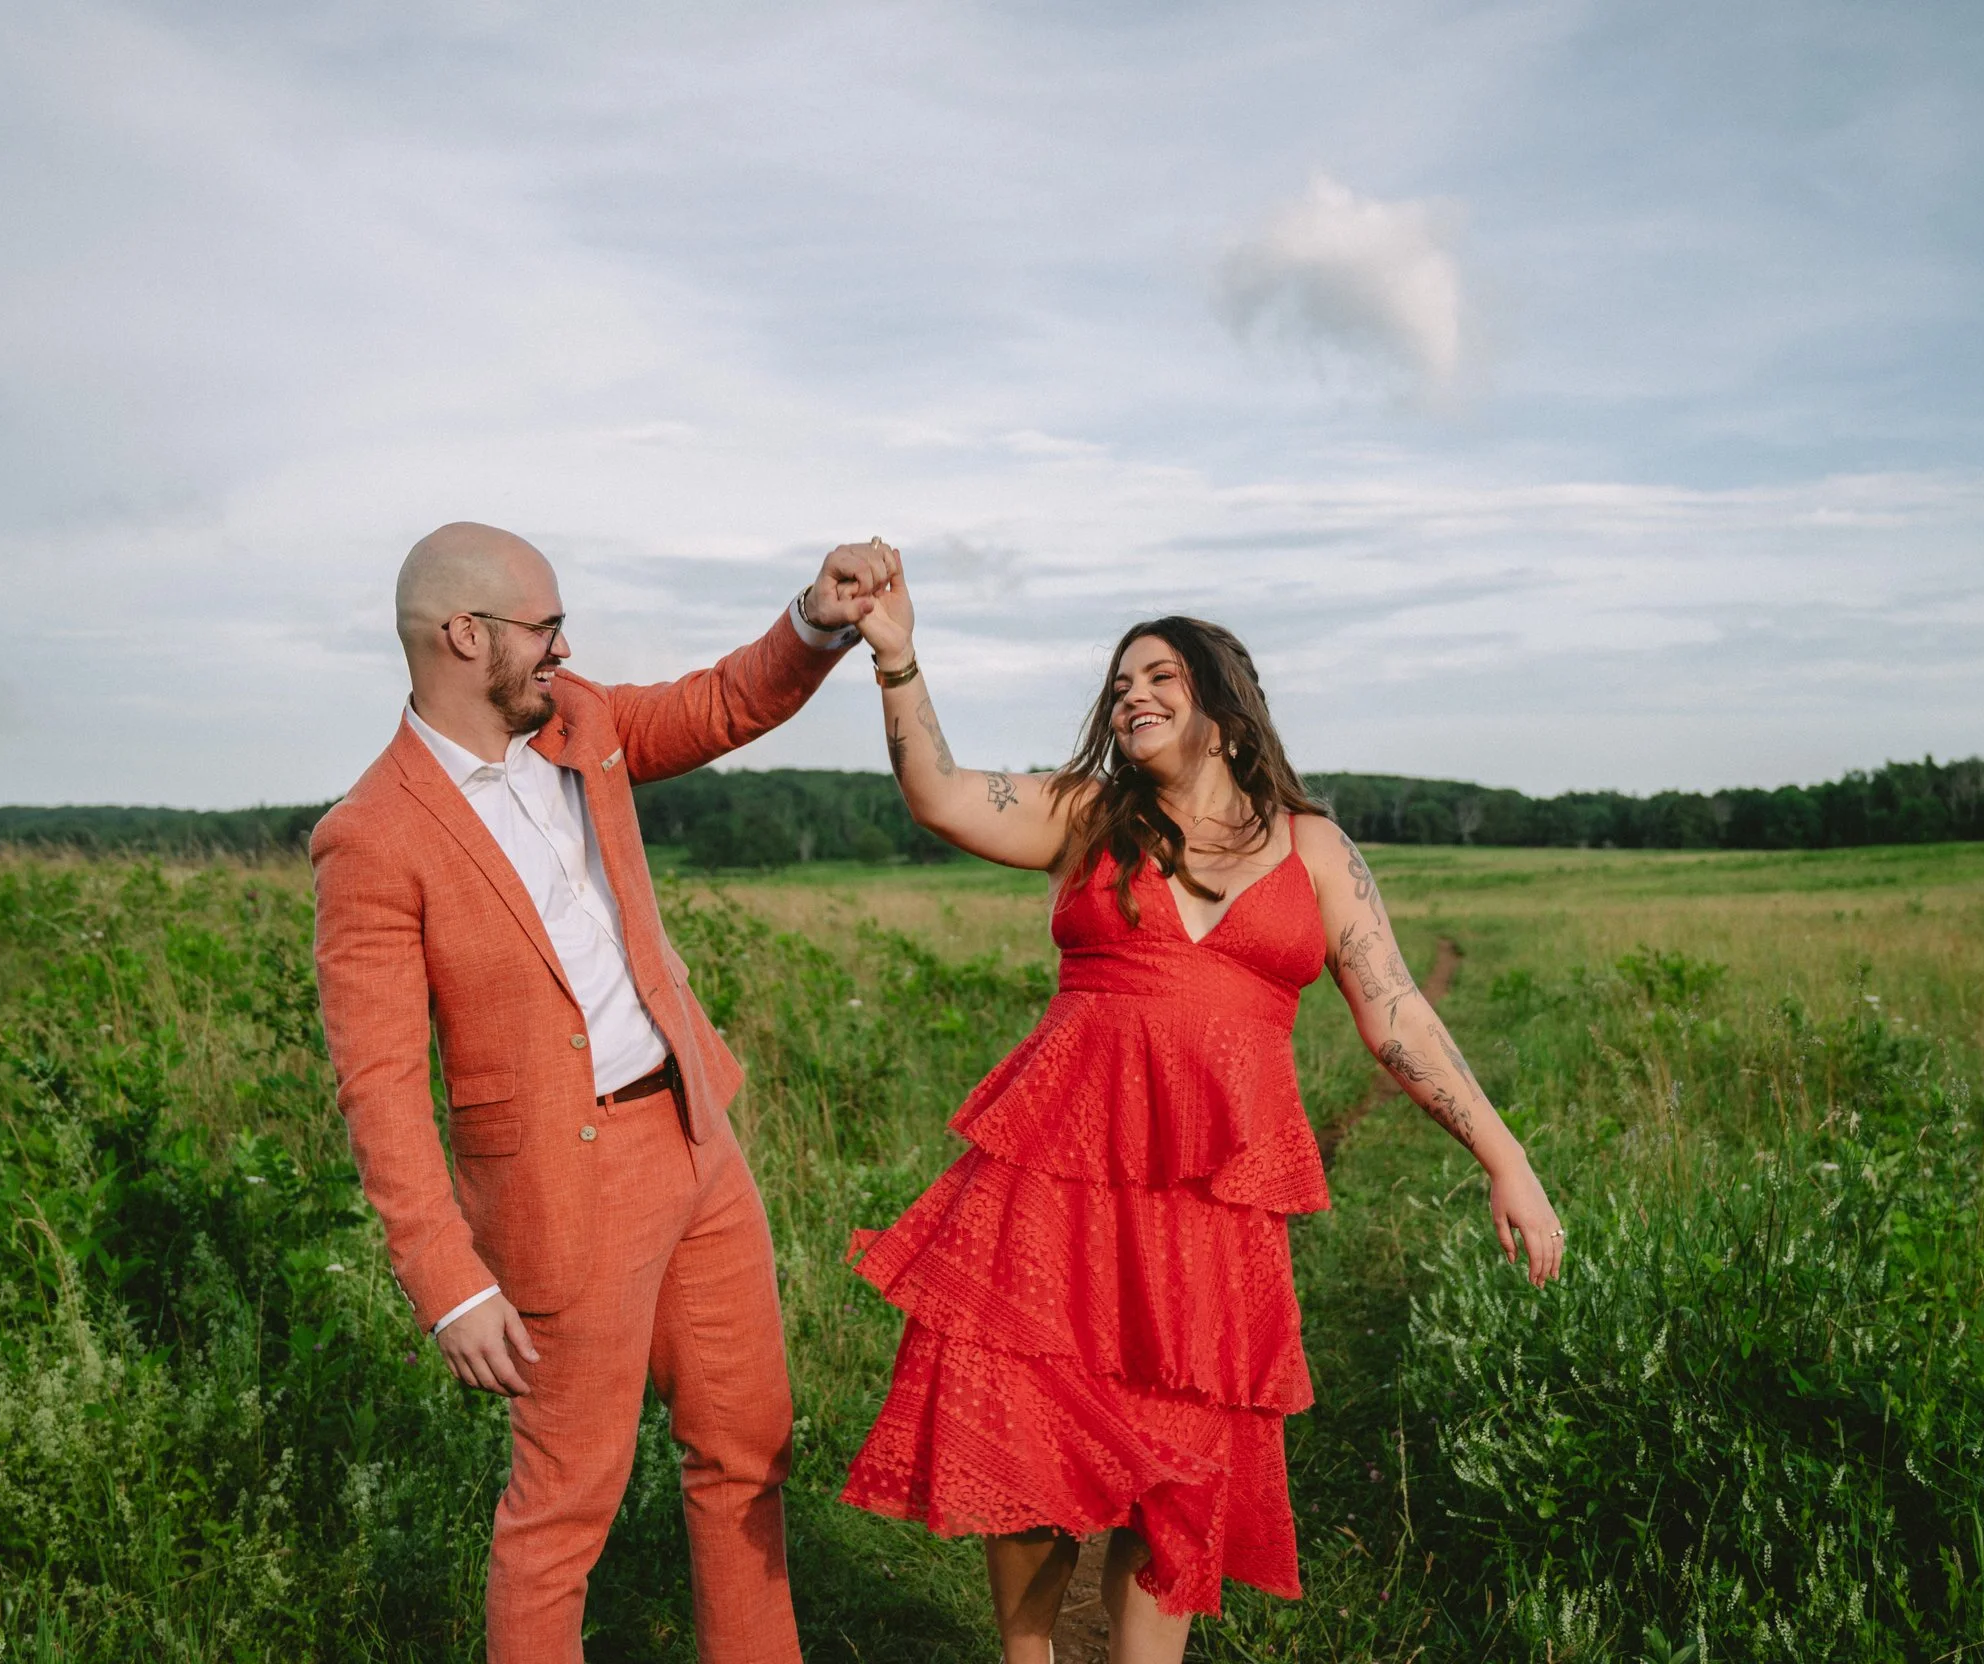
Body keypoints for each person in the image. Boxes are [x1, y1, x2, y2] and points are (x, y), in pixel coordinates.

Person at [837, 569, 1565, 1662]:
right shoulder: (1087, 816)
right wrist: (895, 653)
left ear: (1223, 707)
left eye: (1159, 674)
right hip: (1059, 1172)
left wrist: (1504, 1158)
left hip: (1211, 1197)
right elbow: (939, 791)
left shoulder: (1313, 848)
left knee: (1175, 1451)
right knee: (1030, 1423)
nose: (1130, 692)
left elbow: (1396, 1008)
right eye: (1119, 679)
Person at [310, 522, 898, 1664]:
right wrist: (446, 1283)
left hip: (692, 1135)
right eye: (544, 626)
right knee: (563, 1509)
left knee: (746, 1446)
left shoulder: (577, 719)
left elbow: (720, 702)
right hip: (562, 1190)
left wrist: (815, 621)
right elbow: (377, 1088)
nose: (563, 646)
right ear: (463, 635)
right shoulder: (372, 836)